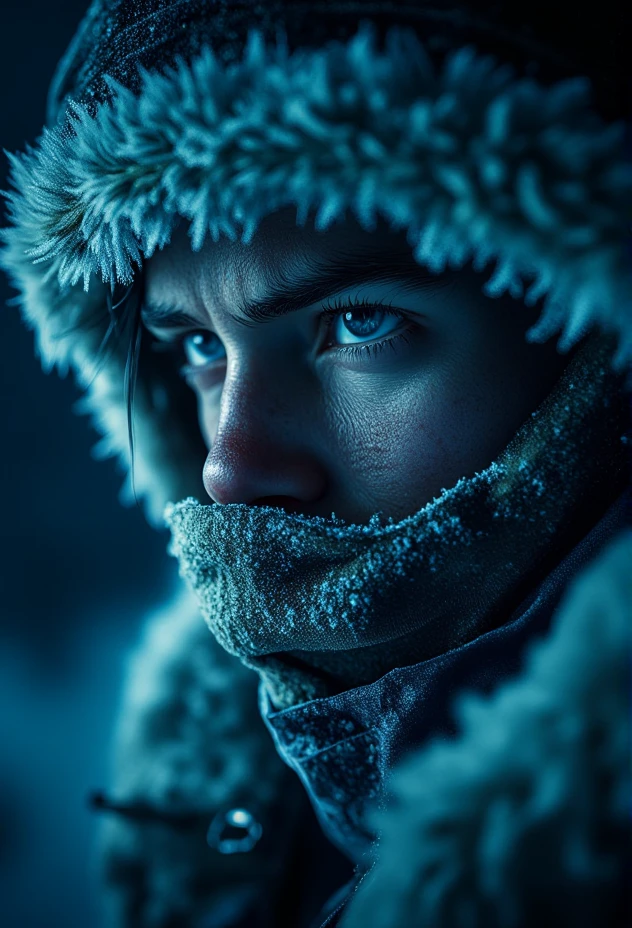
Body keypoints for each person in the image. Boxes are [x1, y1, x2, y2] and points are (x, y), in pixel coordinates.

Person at [1, 1, 630, 926]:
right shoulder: (197, 794)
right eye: (200, 350)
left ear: (596, 343)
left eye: (361, 323)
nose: (231, 468)